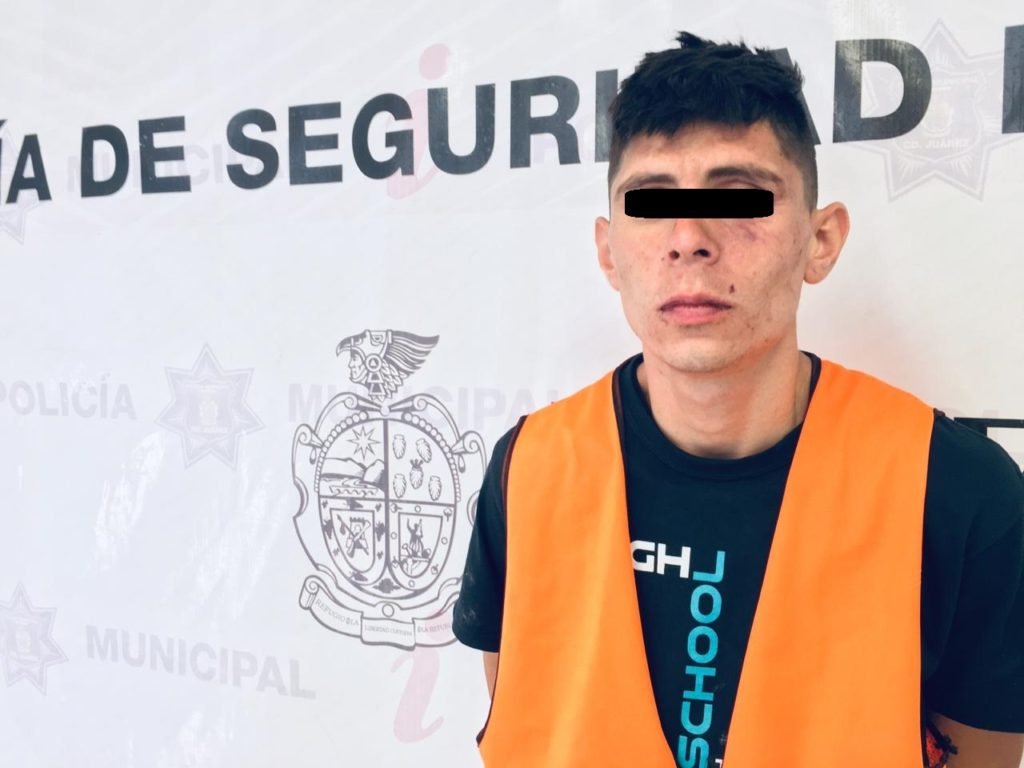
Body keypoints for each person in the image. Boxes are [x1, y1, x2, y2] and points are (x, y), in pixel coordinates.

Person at [452, 30, 1024, 768]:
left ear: (821, 240)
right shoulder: (528, 471)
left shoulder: (957, 492)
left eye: (739, 198)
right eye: (651, 203)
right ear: (608, 251)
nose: (689, 238)